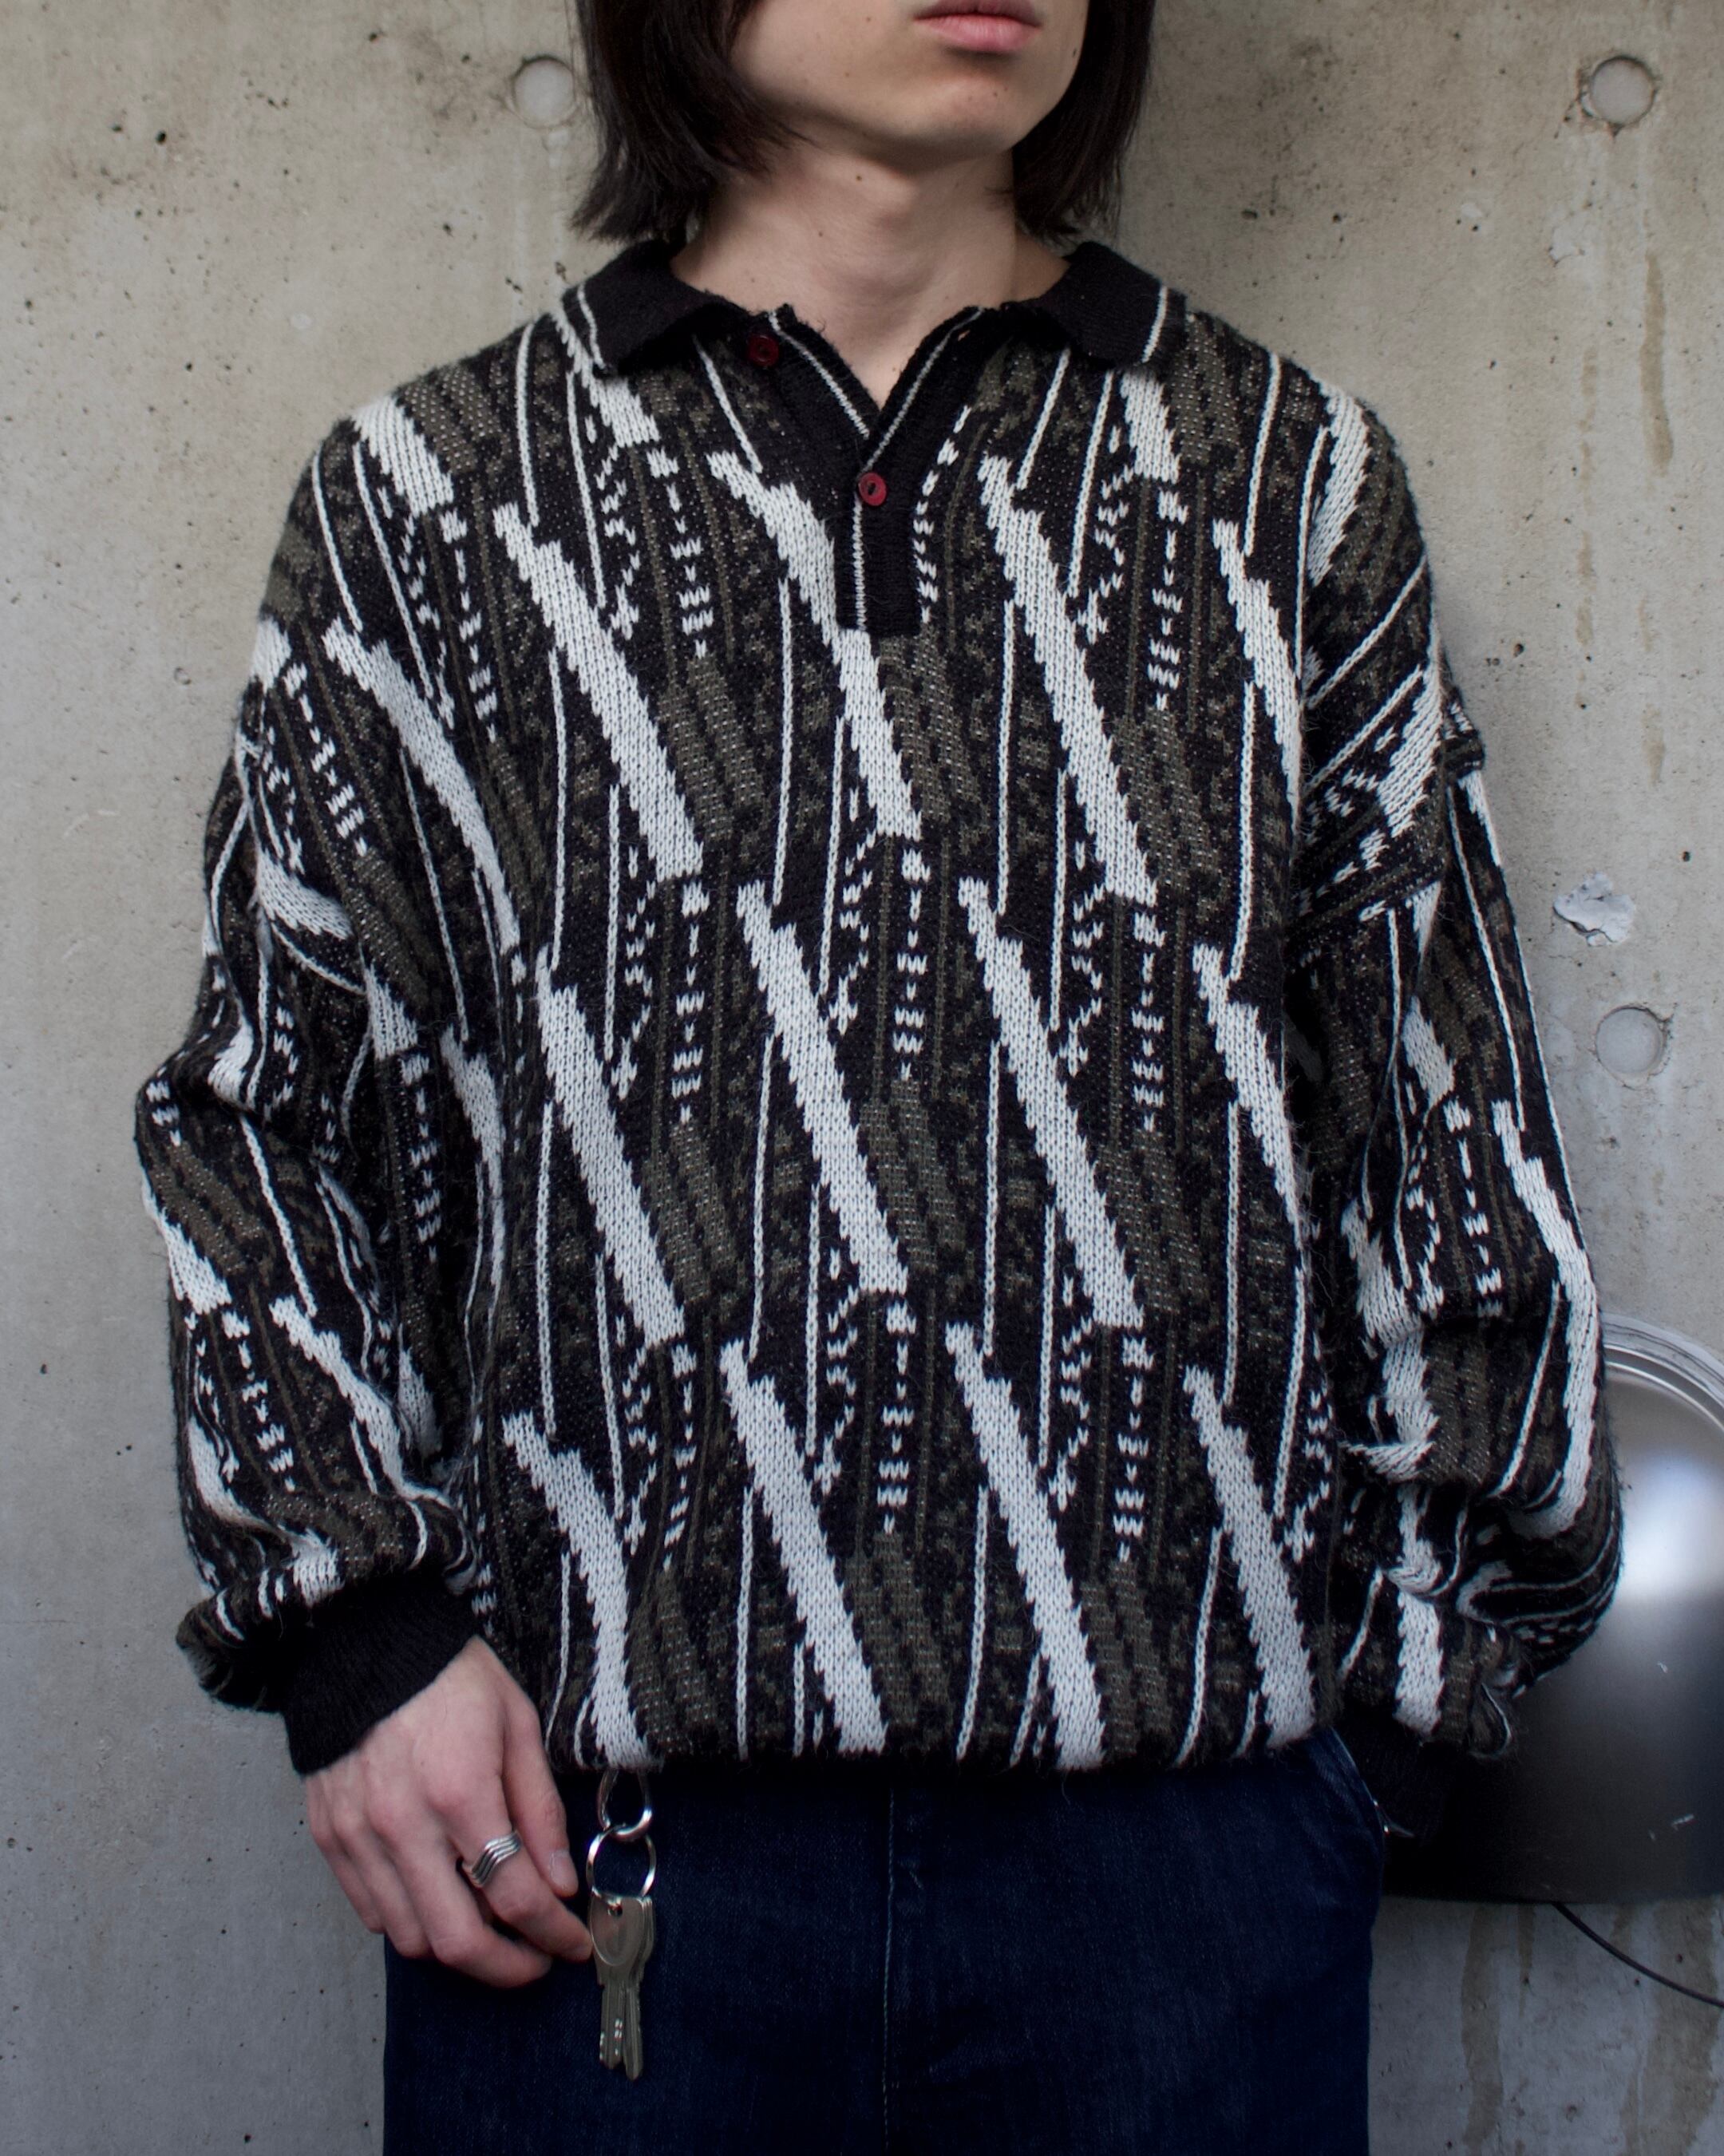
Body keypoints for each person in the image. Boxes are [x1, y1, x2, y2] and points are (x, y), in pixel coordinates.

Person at [134, 0, 1623, 2148]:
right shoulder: (437, 500)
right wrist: (355, 1648)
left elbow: (1442, 1106)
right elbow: (268, 1114)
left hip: (1186, 1882)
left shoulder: (1285, 479)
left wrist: (1387, 1722)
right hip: (602, 1864)